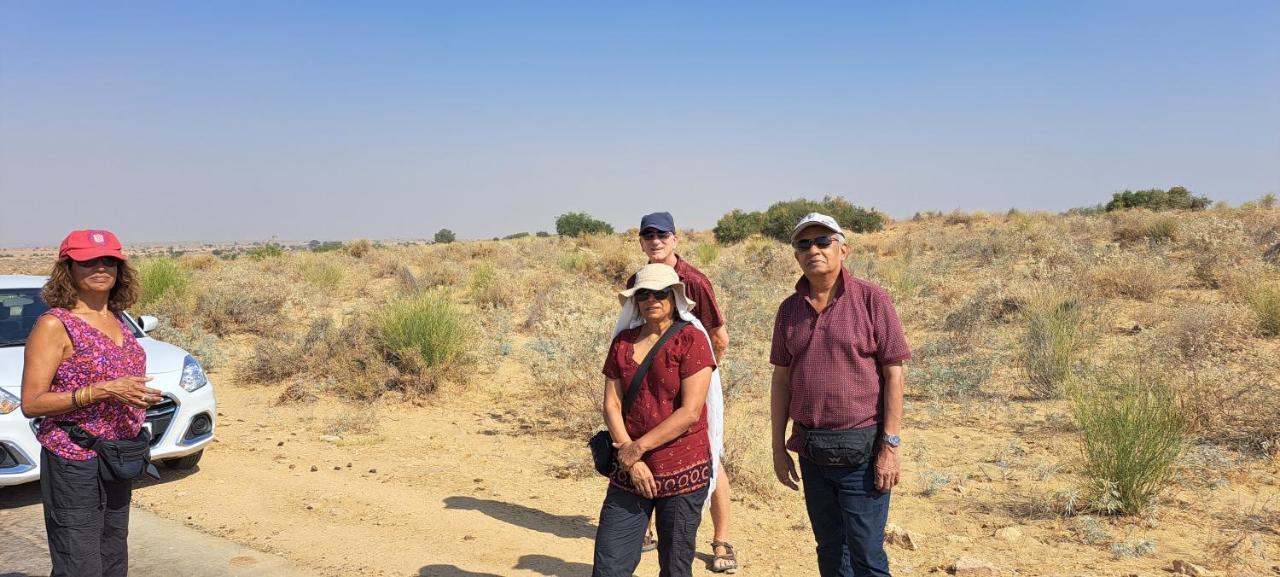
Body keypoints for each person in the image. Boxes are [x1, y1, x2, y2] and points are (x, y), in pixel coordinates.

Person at [769, 213, 911, 577]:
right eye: (804, 244)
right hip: (812, 449)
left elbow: (893, 375)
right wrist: (777, 448)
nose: (813, 250)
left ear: (843, 249)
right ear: (797, 255)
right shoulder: (788, 311)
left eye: (823, 241)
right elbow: (781, 380)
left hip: (863, 451)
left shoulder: (872, 300)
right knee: (830, 550)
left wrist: (890, 447)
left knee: (866, 553)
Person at [21, 229, 162, 577]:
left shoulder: (116, 318)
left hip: (119, 454)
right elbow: (32, 402)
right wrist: (101, 391)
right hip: (74, 458)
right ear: (67, 268)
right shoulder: (55, 324)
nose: (101, 268)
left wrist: (137, 397)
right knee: (78, 559)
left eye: (109, 261)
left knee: (113, 552)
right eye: (87, 261)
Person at [626, 212, 737, 573]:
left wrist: (698, 379)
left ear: (675, 239)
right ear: (641, 241)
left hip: (695, 377)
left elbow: (719, 336)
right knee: (647, 442)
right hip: (648, 382)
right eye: (648, 236)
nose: (655, 241)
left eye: (662, 235)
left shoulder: (694, 281)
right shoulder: (638, 280)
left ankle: (722, 541)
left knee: (708, 451)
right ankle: (646, 529)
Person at [593, 263, 717, 577]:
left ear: (674, 296)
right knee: (610, 563)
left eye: (660, 293)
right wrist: (630, 459)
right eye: (644, 294)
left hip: (682, 471)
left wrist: (638, 448)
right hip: (629, 470)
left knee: (675, 566)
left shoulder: (691, 341)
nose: (652, 299)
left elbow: (689, 412)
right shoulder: (622, 342)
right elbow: (612, 402)